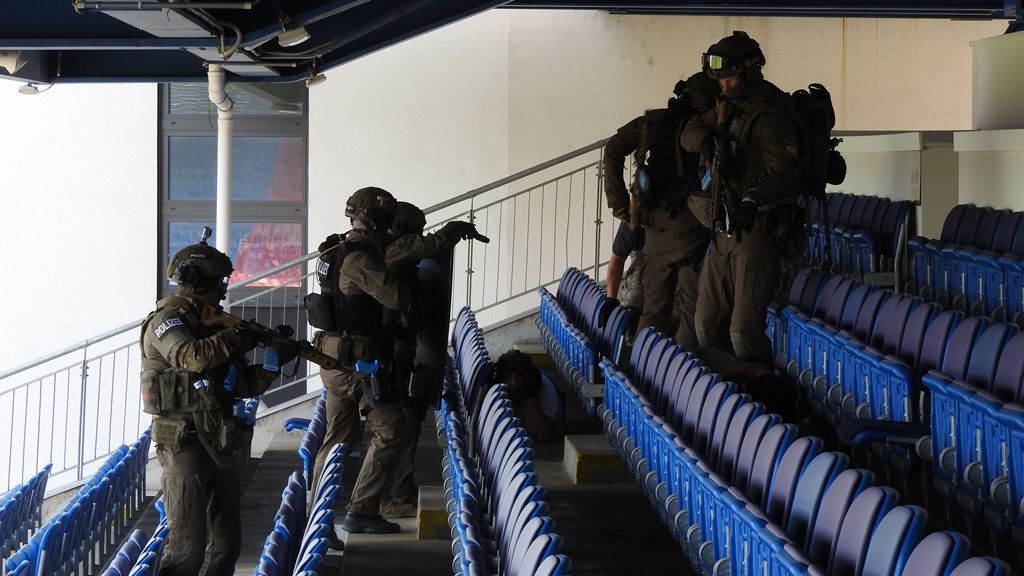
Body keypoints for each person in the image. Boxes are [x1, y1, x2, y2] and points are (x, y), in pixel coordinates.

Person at [140, 231, 285, 576]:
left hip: (218, 439)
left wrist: (271, 364)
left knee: (226, 543)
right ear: (196, 282)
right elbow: (191, 358)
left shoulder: (207, 324)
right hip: (184, 443)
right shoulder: (166, 322)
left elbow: (237, 385)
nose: (223, 290)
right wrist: (237, 336)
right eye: (218, 282)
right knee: (187, 549)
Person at [681, 31, 804, 367]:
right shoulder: (728, 108)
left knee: (742, 331)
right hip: (723, 228)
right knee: (705, 323)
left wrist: (754, 198)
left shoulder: (770, 116)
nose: (723, 87)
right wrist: (707, 141)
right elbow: (688, 133)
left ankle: (762, 396)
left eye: (729, 79)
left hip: (756, 230)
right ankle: (727, 397)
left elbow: (787, 174)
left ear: (749, 72)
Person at [309, 186, 410, 537]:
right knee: (392, 429)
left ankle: (316, 520)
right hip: (357, 364)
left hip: (335, 359)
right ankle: (362, 510)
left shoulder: (334, 250)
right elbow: (396, 298)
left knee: (337, 439)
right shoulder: (359, 259)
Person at [602, 72, 720, 349]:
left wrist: (620, 203)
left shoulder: (658, 123)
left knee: (654, 310)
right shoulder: (707, 129)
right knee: (692, 312)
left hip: (656, 223)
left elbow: (614, 149)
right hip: (693, 227)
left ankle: (646, 368)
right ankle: (682, 373)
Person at [379, 202, 477, 519]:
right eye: (416, 230)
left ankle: (401, 490)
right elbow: (431, 244)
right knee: (401, 423)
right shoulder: (394, 249)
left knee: (408, 418)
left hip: (403, 350)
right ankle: (393, 495)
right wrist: (457, 227)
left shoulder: (385, 248)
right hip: (392, 353)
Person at [491, 350, 565, 443]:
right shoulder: (501, 387)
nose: (514, 383)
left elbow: (543, 434)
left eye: (519, 377)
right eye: (509, 378)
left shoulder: (545, 389)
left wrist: (531, 395)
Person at [606, 220, 645, 311]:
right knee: (631, 307)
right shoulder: (632, 221)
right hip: (642, 263)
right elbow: (617, 260)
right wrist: (610, 300)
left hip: (675, 263)